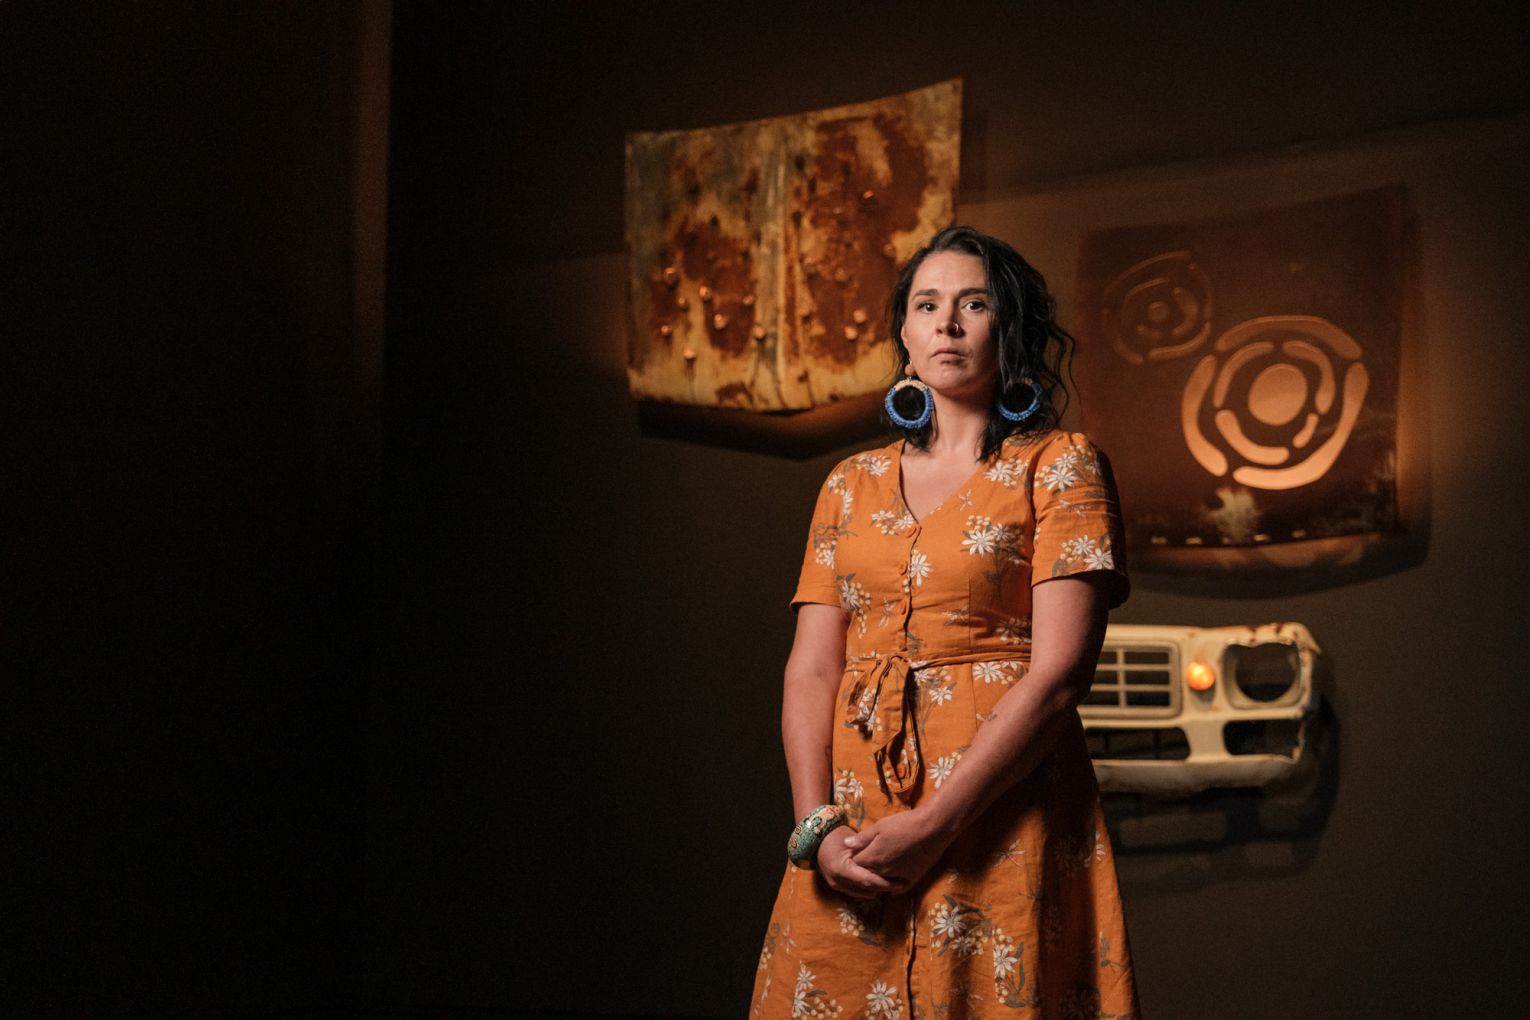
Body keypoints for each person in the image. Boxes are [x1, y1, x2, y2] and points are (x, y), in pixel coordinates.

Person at [751, 226, 1140, 1019]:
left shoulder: (1061, 466)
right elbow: (813, 668)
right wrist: (817, 828)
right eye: (927, 306)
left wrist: (935, 824)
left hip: (1002, 808)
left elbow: (1060, 676)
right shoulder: (848, 484)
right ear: (904, 332)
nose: (948, 325)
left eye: (974, 304)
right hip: (854, 819)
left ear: (1010, 327)